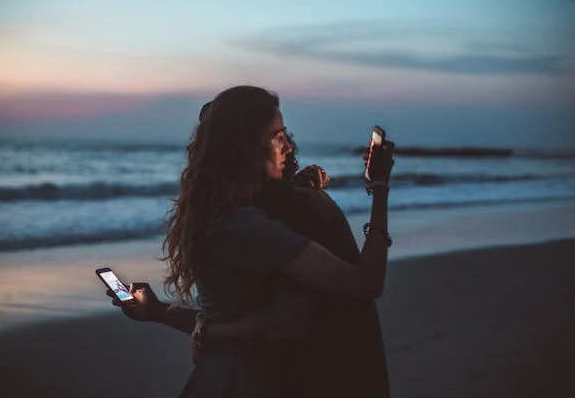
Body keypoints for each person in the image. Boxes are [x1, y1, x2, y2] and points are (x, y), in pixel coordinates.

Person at [109, 86, 394, 397]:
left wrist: (158, 312)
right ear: (246, 147)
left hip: (216, 376)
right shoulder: (253, 226)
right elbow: (358, 286)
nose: (288, 146)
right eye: (277, 136)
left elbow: (230, 321)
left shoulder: (214, 214)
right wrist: (379, 190)